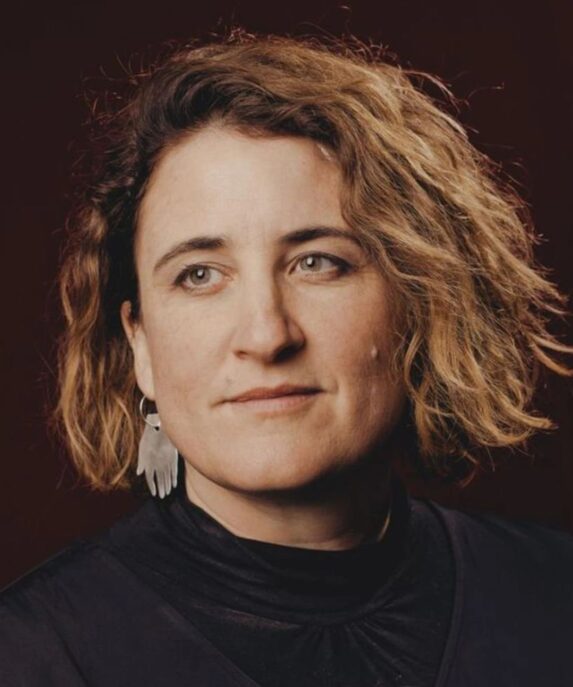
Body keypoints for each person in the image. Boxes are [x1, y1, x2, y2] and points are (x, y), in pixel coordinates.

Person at [1, 31, 572, 687]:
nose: (266, 334)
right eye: (199, 275)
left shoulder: (555, 593)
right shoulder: (28, 655)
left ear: (418, 300)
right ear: (141, 346)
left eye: (317, 262)